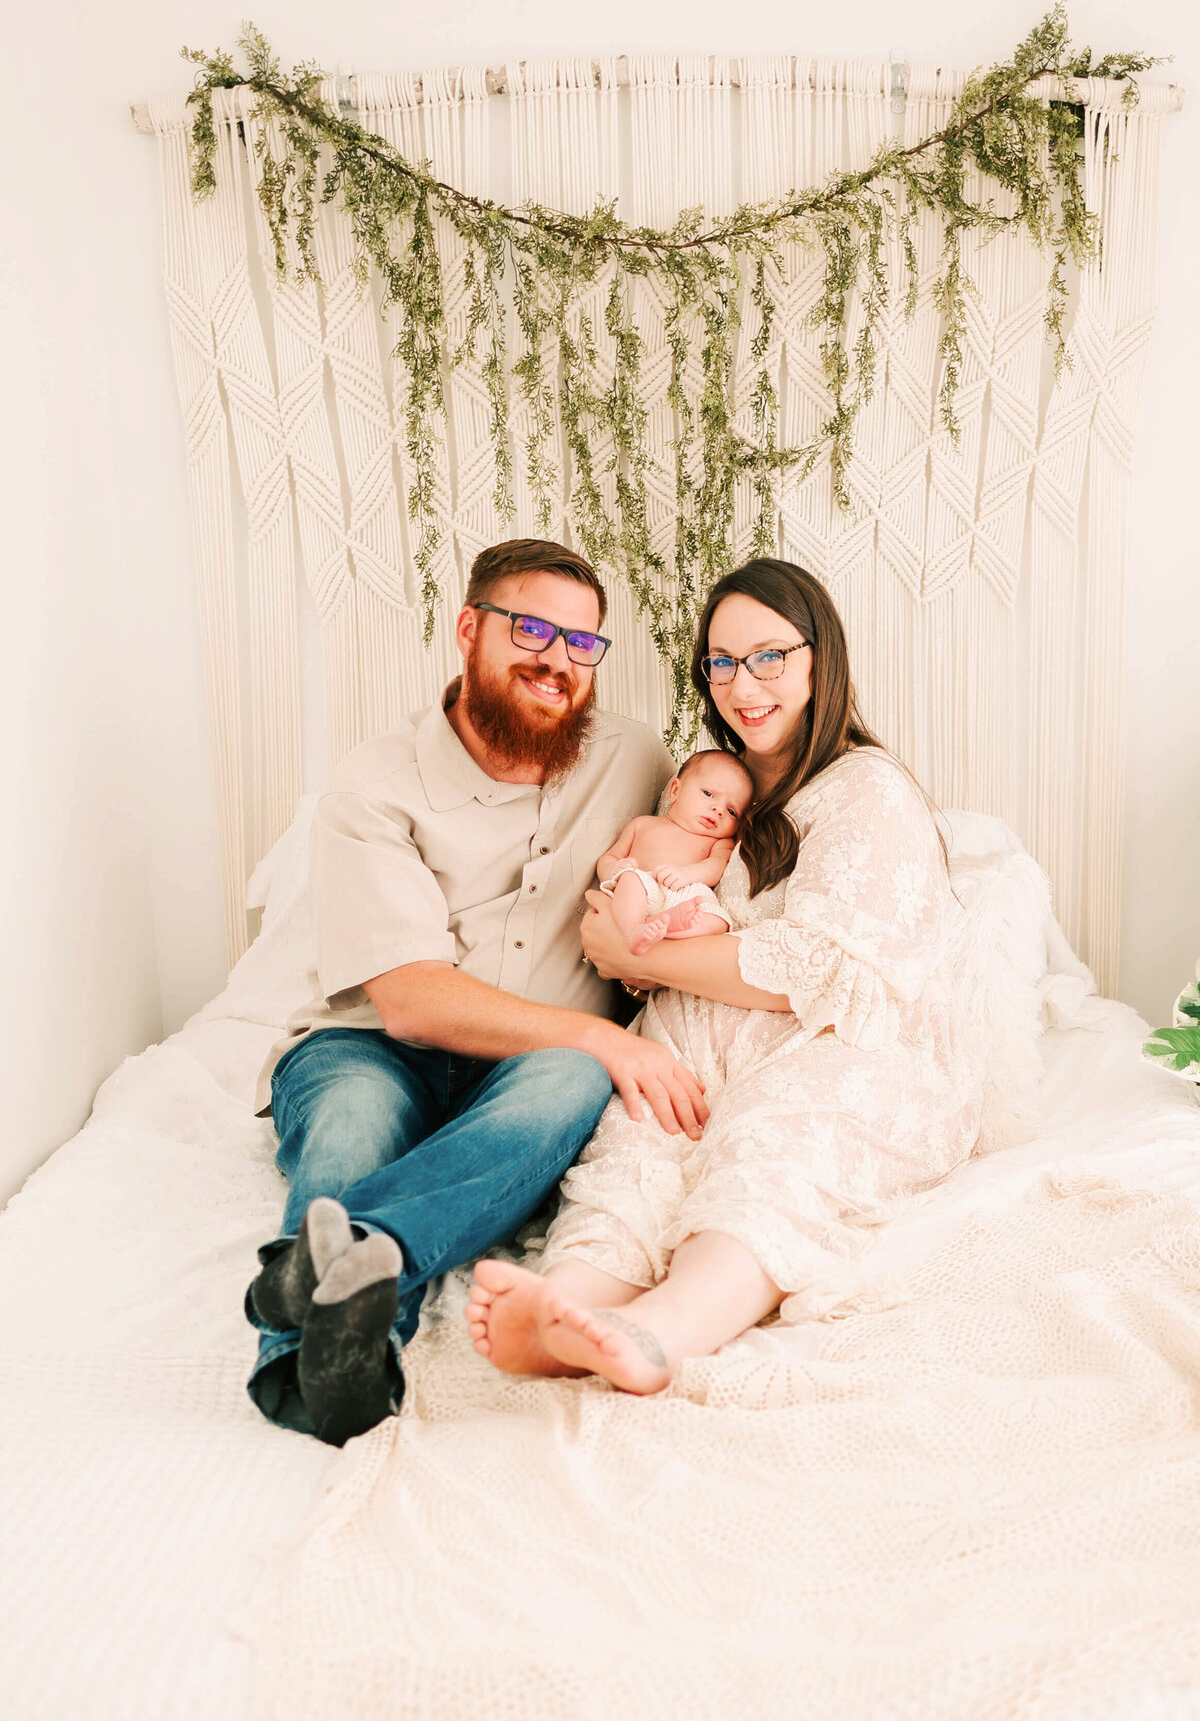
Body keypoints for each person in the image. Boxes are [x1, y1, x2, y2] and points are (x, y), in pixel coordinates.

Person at [466, 557, 981, 1394]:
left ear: (821, 658)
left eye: (769, 656)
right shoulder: (714, 796)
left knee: (768, 1149)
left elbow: (817, 967)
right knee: (636, 1148)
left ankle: (660, 1332)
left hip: (836, 1045)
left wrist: (638, 954)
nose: (745, 684)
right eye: (722, 661)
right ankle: (564, 1307)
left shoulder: (866, 789)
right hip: (704, 1038)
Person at [245, 537, 706, 1445]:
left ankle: (333, 1272)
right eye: (534, 629)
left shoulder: (638, 759)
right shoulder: (374, 784)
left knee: (574, 1076)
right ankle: (312, 1367)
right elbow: (412, 999)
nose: (560, 662)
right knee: (351, 1126)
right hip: (370, 1044)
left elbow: (728, 846)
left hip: (532, 1073)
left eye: (584, 644)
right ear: (469, 628)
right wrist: (608, 1035)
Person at [597, 750, 752, 955]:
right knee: (629, 879)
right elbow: (609, 857)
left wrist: (688, 874)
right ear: (675, 791)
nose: (719, 810)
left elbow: (717, 866)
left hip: (687, 896)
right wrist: (614, 869)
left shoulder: (719, 841)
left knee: (720, 922)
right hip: (644, 888)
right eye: (708, 794)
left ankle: (666, 930)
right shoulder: (643, 824)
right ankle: (633, 930)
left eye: (732, 811)